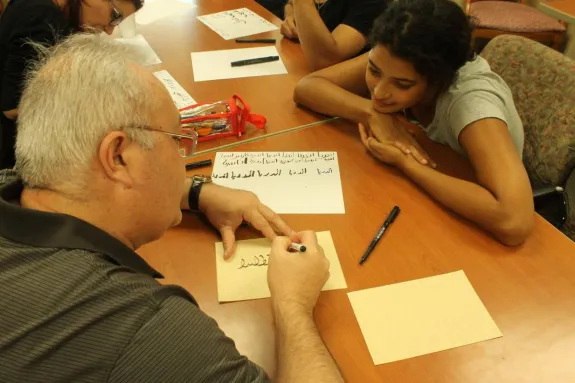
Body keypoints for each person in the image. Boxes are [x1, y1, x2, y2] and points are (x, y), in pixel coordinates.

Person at [0, 34, 344, 382]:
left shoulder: (17, 183)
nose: (186, 159)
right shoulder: (144, 331)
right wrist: (293, 306)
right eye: (179, 141)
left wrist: (197, 193)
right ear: (118, 156)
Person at [294, 0, 534, 246]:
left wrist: (406, 164)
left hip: (474, 219)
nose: (379, 92)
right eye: (374, 71)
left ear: (439, 80)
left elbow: (514, 221)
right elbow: (307, 87)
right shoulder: (395, 56)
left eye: (402, 85)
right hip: (429, 197)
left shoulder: (471, 103)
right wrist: (370, 114)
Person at [0, 0, 142, 170]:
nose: (110, 30)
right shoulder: (42, 16)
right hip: (13, 153)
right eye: (115, 16)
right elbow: (13, 107)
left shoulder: (52, 12)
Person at [281, 0, 387, 71]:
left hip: (337, 88)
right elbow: (290, 3)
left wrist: (302, 3)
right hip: (297, 63)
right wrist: (293, 16)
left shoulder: (373, 3)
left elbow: (324, 61)